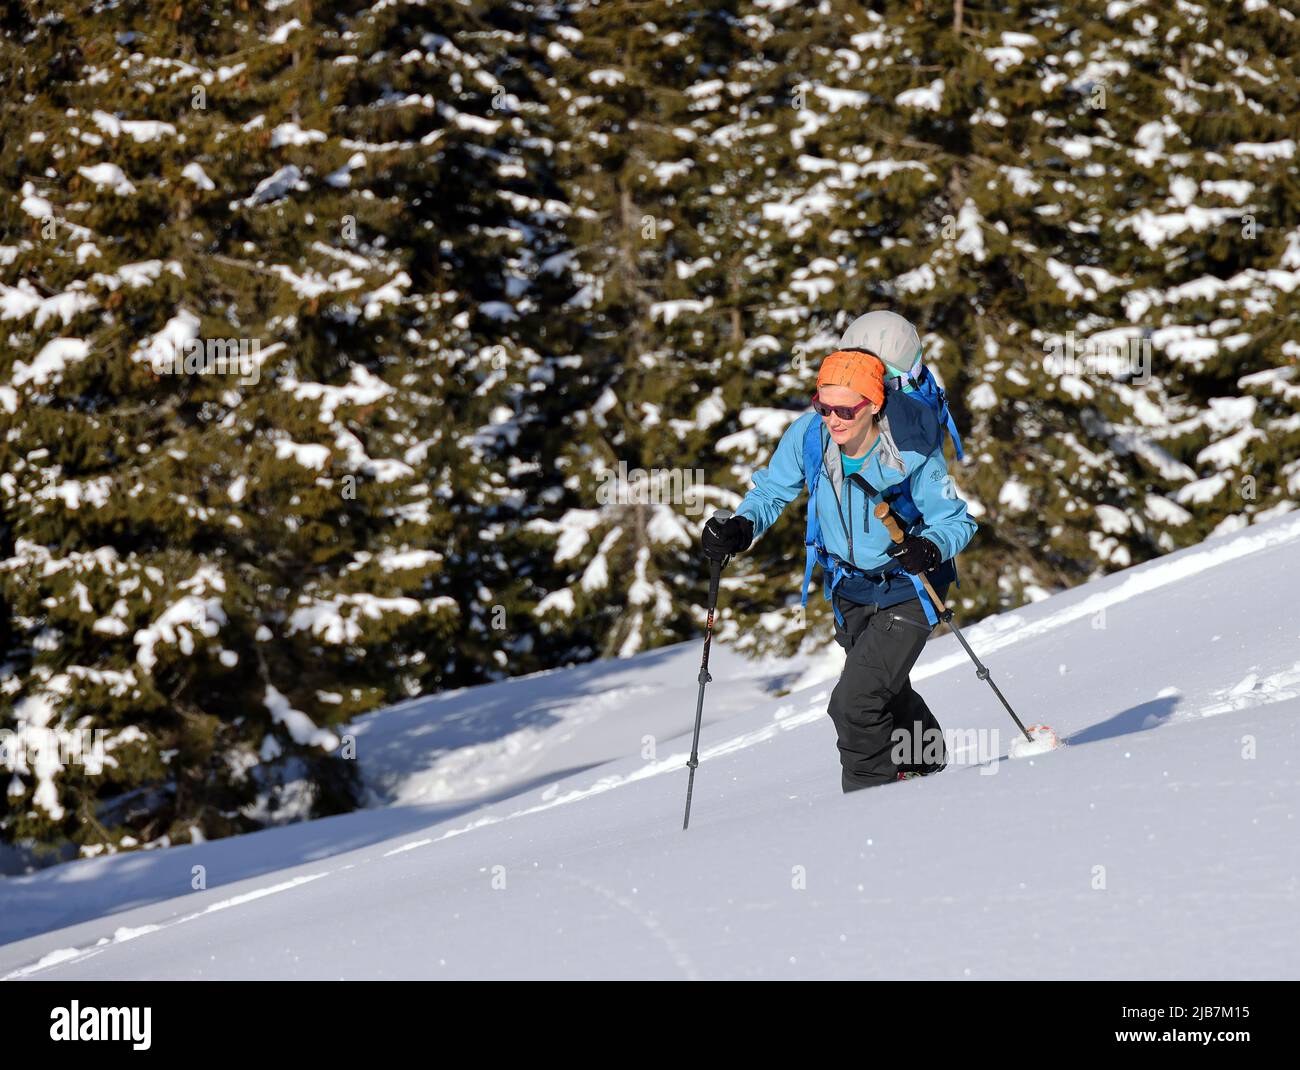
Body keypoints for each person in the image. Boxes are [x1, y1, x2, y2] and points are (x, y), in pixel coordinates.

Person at [701, 335, 977, 792]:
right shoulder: (810, 437)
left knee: (854, 703)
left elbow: (956, 520)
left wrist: (928, 547)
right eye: (823, 406)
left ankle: (869, 806)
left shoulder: (911, 449)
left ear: (873, 403)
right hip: (849, 589)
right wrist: (742, 528)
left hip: (909, 586)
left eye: (845, 410)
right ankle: (927, 759)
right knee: (882, 686)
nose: (832, 419)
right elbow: (772, 491)